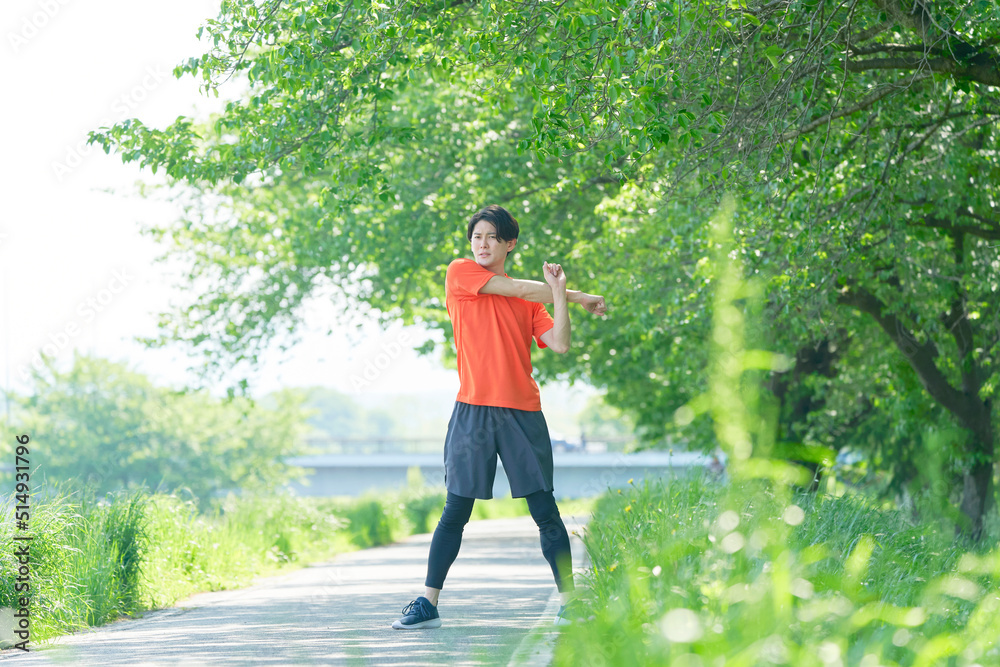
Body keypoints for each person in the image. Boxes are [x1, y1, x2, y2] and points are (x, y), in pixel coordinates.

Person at [391, 204, 607, 630]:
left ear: (510, 243)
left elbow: (559, 344)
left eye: (491, 237)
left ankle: (571, 601)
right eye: (476, 237)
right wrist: (576, 295)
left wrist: (562, 297)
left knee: (544, 509)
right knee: (456, 510)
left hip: (522, 413)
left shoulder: (531, 300)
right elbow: (524, 291)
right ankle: (427, 602)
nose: (482, 244)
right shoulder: (461, 274)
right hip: (473, 410)